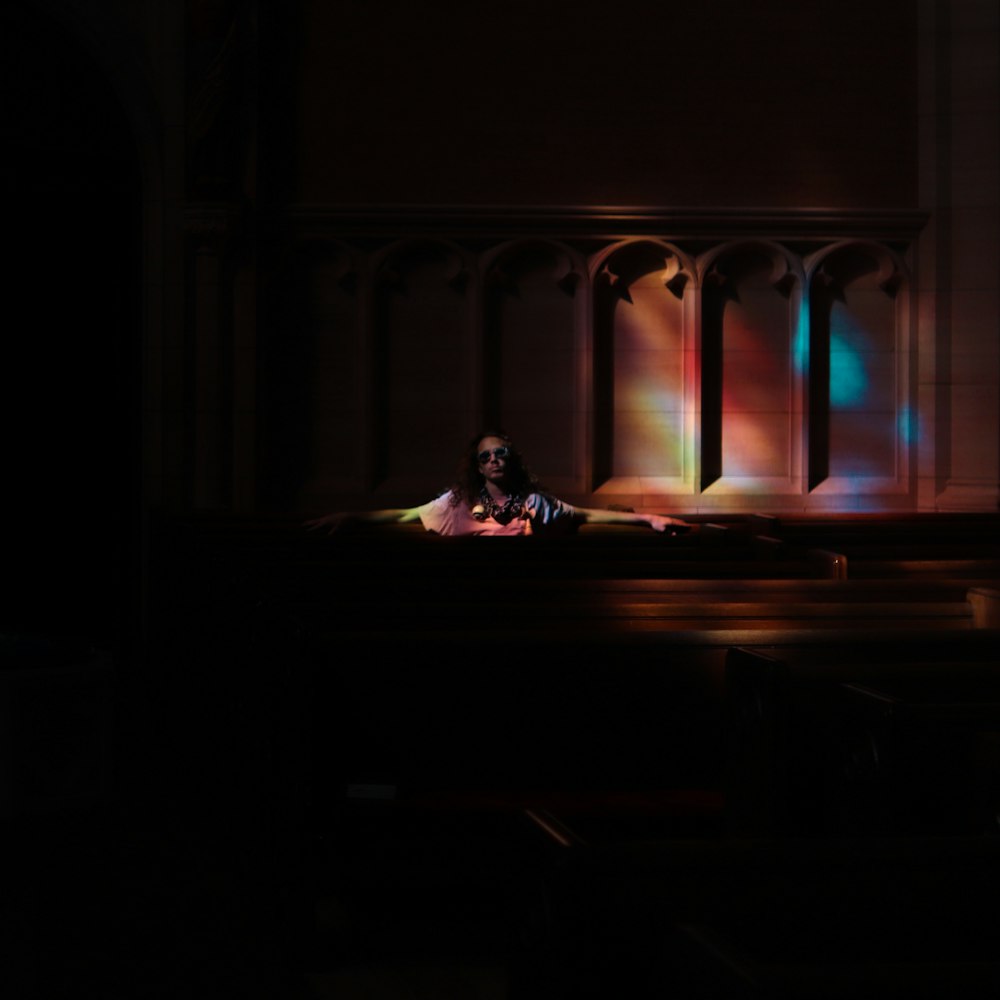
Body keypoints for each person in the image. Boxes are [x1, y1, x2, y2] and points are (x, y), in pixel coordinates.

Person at [305, 429, 689, 537]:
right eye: (485, 456)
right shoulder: (455, 502)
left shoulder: (535, 502)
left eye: (501, 453)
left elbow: (587, 515)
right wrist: (351, 516)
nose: (493, 460)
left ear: (513, 460)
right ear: (477, 467)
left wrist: (648, 519)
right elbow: (404, 516)